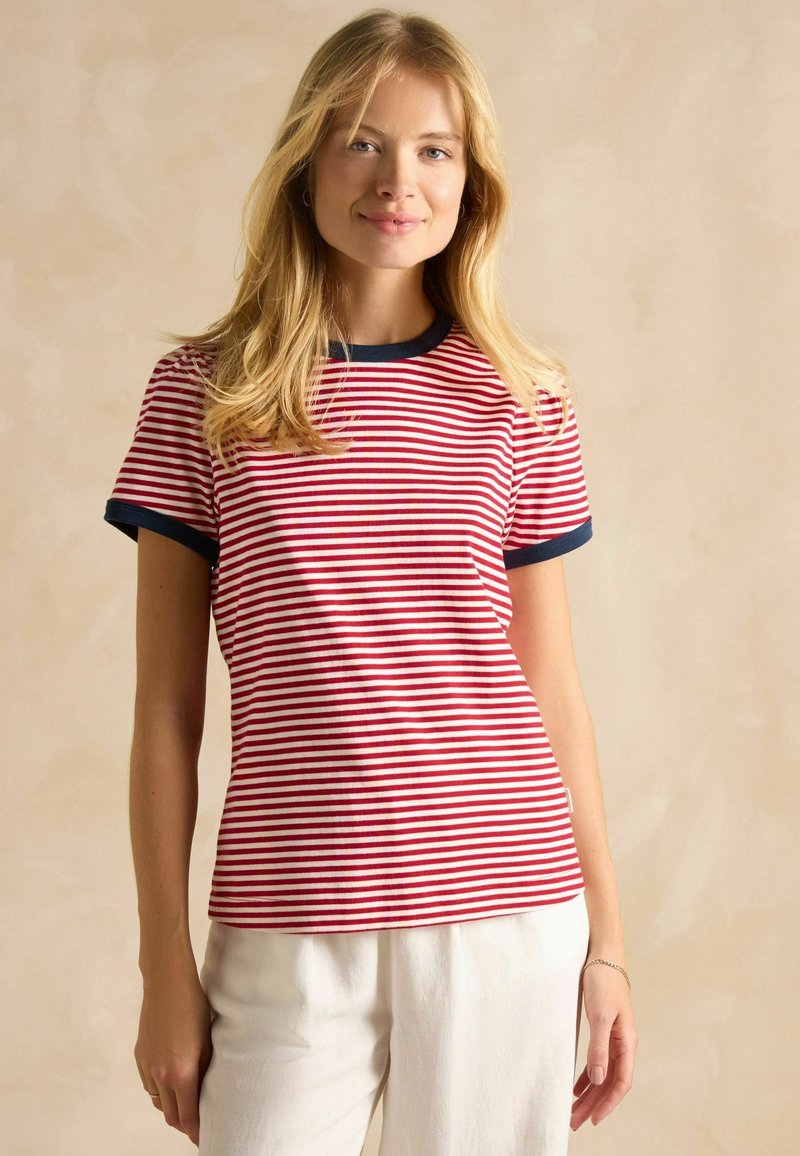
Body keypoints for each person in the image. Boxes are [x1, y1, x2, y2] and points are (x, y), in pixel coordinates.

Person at [104, 9, 637, 1154]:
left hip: (505, 909)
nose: (398, 179)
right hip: (289, 923)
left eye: (434, 149)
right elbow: (164, 710)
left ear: (469, 180)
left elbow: (551, 689)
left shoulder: (520, 399)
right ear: (304, 165)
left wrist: (607, 943)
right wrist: (161, 965)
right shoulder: (204, 393)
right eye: (360, 141)